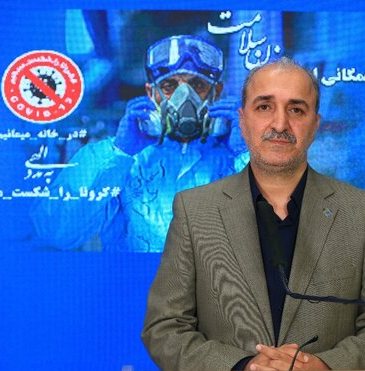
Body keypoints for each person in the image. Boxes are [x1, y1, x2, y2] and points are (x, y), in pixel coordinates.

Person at [141, 57, 365, 371]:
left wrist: (324, 367)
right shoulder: (194, 210)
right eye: (264, 107)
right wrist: (243, 367)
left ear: (315, 124)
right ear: (242, 120)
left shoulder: (361, 211)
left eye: (296, 110)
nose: (280, 125)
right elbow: (165, 328)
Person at [31, 35, 247, 252]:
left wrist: (247, 154)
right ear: (151, 93)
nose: (184, 97)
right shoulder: (116, 160)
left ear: (217, 93)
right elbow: (57, 232)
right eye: (169, 86)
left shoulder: (239, 160)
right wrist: (119, 152)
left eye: (197, 85)